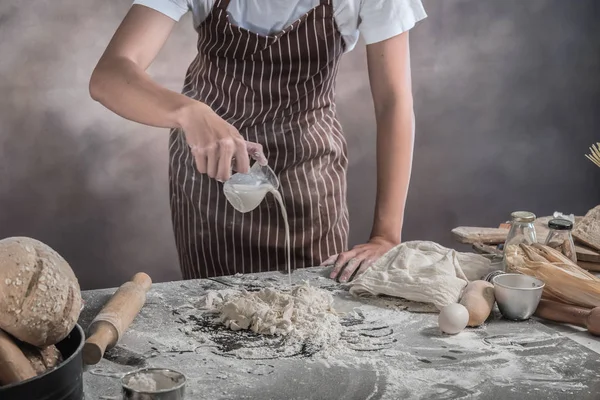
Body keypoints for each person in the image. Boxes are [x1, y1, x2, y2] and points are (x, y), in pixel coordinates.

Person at [89, 0, 426, 282]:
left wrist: (386, 235)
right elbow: (110, 75)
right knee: (215, 324)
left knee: (310, 326)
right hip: (208, 181)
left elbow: (393, 102)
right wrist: (189, 113)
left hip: (307, 184)